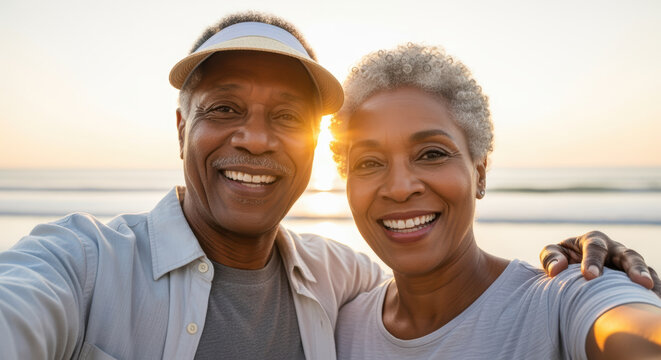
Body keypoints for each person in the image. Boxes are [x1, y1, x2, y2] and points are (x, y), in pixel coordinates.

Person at [0, 12, 656, 360]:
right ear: (181, 130)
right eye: (223, 108)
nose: (255, 139)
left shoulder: (341, 284)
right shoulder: (80, 262)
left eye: (284, 116)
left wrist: (593, 266)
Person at [331, 43, 661, 359]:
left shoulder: (565, 298)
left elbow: (638, 334)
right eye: (369, 162)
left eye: (431, 154)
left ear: (480, 174)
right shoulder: (335, 326)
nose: (400, 188)